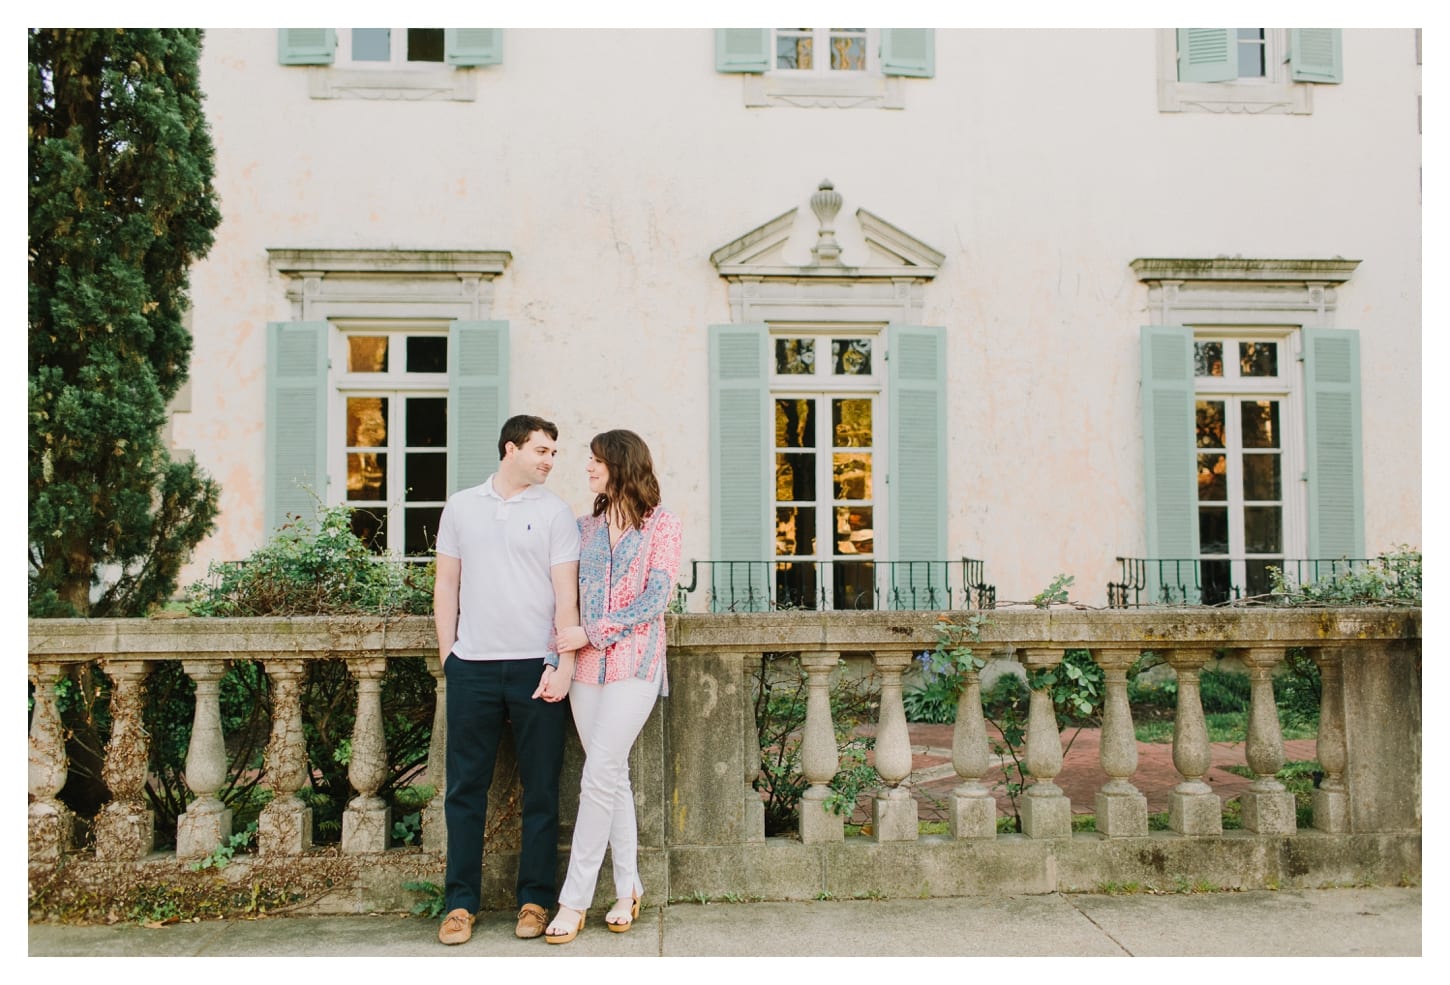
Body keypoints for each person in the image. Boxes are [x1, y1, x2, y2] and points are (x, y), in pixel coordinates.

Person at [433, 414, 583, 947]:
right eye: (540, 450)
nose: (548, 460)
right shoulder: (462, 506)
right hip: (471, 668)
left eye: (553, 453)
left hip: (534, 668)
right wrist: (448, 655)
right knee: (464, 791)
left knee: (541, 790)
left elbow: (567, 597)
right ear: (510, 448)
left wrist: (562, 665)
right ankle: (459, 905)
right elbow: (446, 583)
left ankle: (535, 900)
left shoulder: (556, 513)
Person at [543, 430, 683, 945]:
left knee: (599, 775)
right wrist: (555, 659)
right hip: (583, 671)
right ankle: (627, 889)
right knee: (612, 777)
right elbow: (562, 602)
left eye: (596, 460)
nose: (587, 467)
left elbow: (656, 598)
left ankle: (574, 899)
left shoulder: (662, 525)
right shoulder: (584, 529)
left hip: (635, 666)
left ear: (622, 465)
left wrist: (594, 632)